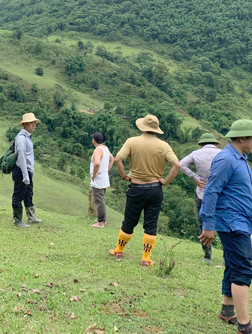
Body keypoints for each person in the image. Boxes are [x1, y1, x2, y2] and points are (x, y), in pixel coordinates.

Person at [199, 119, 252, 334]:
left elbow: (232, 188)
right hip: (231, 222)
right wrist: (208, 224)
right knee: (242, 270)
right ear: (242, 138)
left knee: (233, 266)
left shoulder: (240, 159)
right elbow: (211, 192)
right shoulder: (226, 160)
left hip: (241, 220)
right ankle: (244, 326)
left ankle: (228, 311)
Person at [109, 114, 181, 266]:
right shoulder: (164, 146)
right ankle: (146, 258)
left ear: (142, 127)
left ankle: (119, 250)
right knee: (151, 224)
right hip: (155, 189)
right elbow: (176, 165)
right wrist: (166, 181)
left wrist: (125, 176)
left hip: (136, 188)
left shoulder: (132, 142)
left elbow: (117, 159)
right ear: (156, 129)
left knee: (129, 221)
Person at [179, 132, 222, 264]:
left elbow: (181, 165)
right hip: (221, 194)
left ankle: (207, 256)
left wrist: (196, 178)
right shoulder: (222, 153)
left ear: (202, 144)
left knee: (202, 224)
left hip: (202, 193)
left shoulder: (195, 153)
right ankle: (227, 257)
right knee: (225, 225)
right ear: (215, 143)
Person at [12, 113, 42, 228]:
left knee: (28, 194)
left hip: (27, 170)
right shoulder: (21, 138)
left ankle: (31, 217)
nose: (33, 125)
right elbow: (22, 157)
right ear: (24, 124)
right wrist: (25, 175)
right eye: (31, 123)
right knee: (18, 194)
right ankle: (17, 219)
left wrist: (31, 173)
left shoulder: (28, 137)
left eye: (34, 123)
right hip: (20, 170)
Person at [89, 132, 114, 228]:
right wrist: (105, 170)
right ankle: (102, 219)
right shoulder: (105, 148)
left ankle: (100, 222)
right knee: (101, 199)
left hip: (98, 179)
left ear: (94, 140)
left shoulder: (97, 150)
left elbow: (97, 163)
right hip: (104, 178)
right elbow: (112, 159)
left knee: (99, 201)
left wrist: (94, 174)